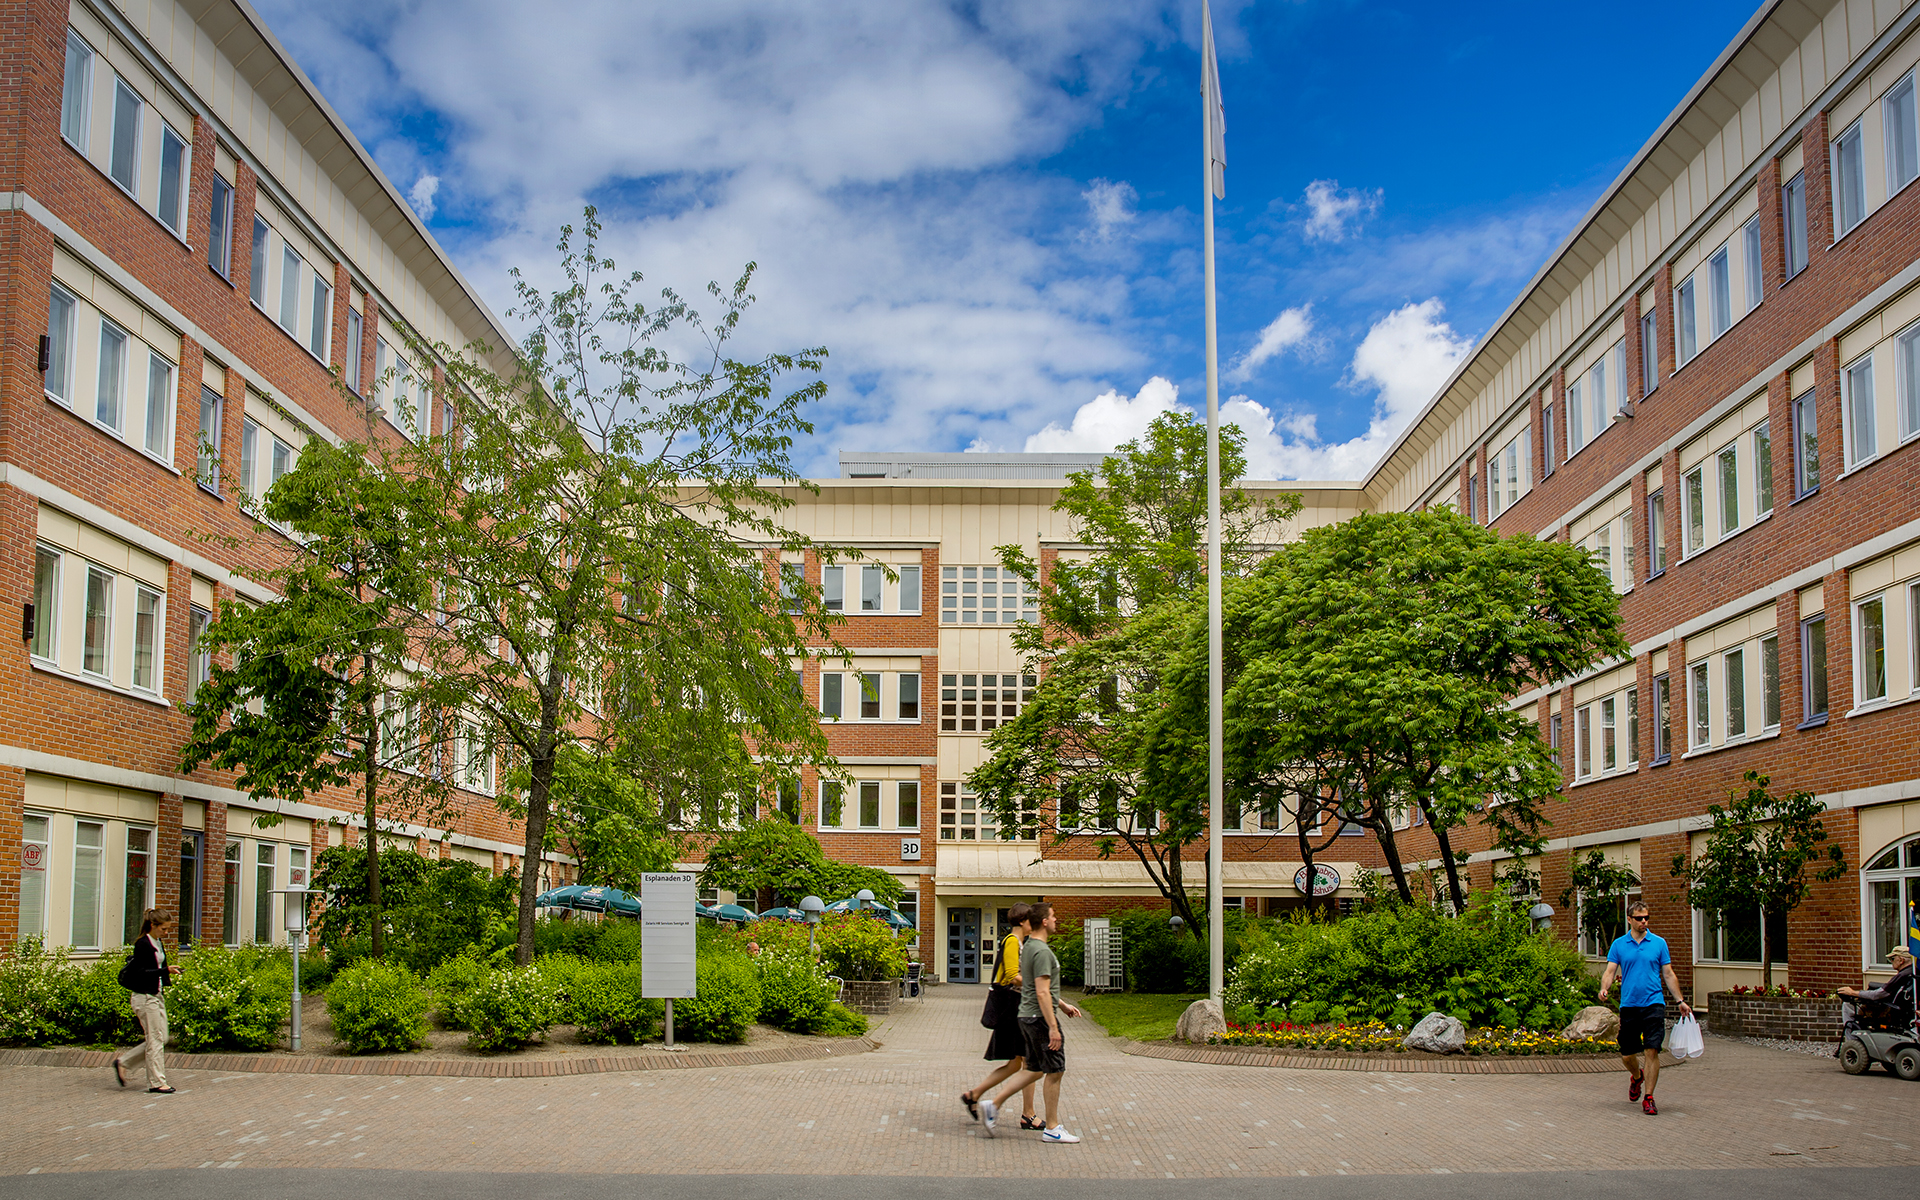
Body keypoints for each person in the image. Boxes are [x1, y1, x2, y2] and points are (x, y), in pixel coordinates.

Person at [980, 902, 1083, 1143]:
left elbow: (1035, 984)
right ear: (1044, 922)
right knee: (1055, 1070)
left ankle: (992, 1105)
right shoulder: (1040, 951)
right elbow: (1042, 991)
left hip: (1026, 1015)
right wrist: (1053, 1027)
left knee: (1034, 1069)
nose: (1056, 920)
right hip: (1038, 1018)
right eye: (1053, 916)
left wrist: (1063, 1005)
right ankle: (1052, 1128)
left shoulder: (1028, 948)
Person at [1597, 900, 1692, 1116]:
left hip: (1653, 1004)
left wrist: (1680, 1001)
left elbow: (1668, 973)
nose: (1644, 922)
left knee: (1652, 1049)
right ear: (1629, 919)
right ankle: (1637, 1077)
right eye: (1639, 918)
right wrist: (1604, 988)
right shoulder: (1619, 945)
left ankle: (1649, 1097)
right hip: (1629, 1005)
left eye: (1646, 918)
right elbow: (1610, 971)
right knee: (1627, 1055)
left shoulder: (1659, 943)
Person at [961, 904, 1040, 1130]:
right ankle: (1028, 1114)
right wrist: (1039, 986)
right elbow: (1011, 975)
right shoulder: (1013, 941)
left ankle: (974, 1095)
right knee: (1028, 1062)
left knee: (1016, 1064)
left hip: (1015, 1007)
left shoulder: (1017, 942)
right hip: (1014, 1008)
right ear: (1022, 921)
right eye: (1031, 920)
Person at [113, 909, 181, 1094]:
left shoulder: (157, 942)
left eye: (167, 929)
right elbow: (141, 972)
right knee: (155, 1040)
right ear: (153, 925)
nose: (166, 933)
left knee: (161, 1038)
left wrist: (167, 974)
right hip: (144, 997)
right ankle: (157, 1082)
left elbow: (157, 967)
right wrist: (165, 970)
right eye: (163, 929)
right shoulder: (142, 944)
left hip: (156, 995)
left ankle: (123, 1062)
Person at [1835, 946, 1914, 1048]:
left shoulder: (1902, 975)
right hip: (1904, 1009)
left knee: (1848, 1005)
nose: (1891, 962)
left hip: (1889, 1010)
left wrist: (1853, 992)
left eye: (1892, 959)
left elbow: (1878, 994)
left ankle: (1851, 1043)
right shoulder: (1913, 972)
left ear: (1901, 960)